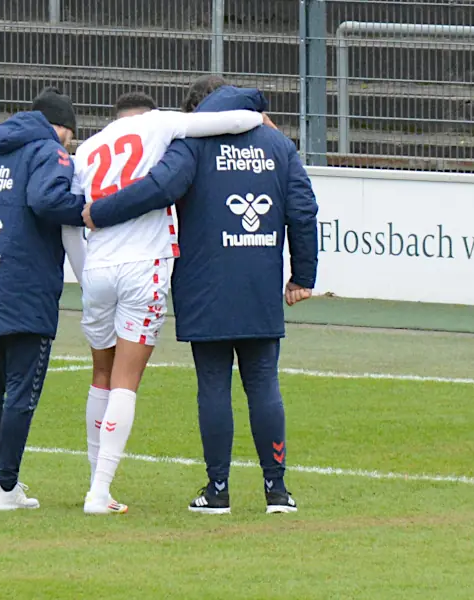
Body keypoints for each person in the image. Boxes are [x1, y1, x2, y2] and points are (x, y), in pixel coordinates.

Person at [82, 76, 319, 515]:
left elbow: (158, 188)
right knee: (263, 382)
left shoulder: (192, 144)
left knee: (213, 384)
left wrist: (100, 210)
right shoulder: (278, 144)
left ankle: (218, 490)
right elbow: (303, 209)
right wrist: (302, 275)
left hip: (204, 281)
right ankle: (277, 490)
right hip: (259, 278)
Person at [0, 87, 87, 511]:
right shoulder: (50, 153)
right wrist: (88, 208)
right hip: (24, 286)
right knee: (20, 390)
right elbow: (48, 200)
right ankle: (7, 488)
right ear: (61, 129)